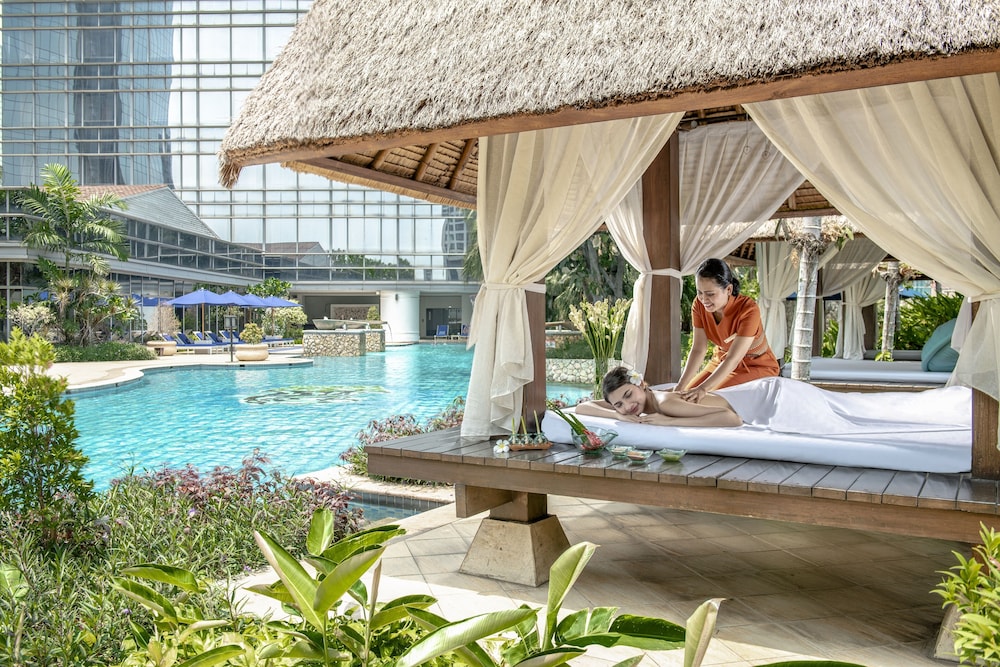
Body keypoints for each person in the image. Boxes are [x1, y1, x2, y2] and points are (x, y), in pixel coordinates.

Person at [674, 257, 779, 403]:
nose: (704, 299)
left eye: (710, 294)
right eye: (700, 292)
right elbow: (699, 349)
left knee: (703, 400)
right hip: (721, 361)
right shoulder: (699, 305)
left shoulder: (748, 309)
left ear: (728, 289)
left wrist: (703, 389)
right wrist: (680, 386)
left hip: (754, 365)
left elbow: (734, 359)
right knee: (682, 397)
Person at [575, 366, 743, 427]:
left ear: (641, 384)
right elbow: (582, 407)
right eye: (618, 404)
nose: (627, 406)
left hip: (751, 405)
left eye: (628, 395)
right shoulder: (630, 404)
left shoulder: (664, 403)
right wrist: (617, 415)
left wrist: (670, 421)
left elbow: (732, 418)